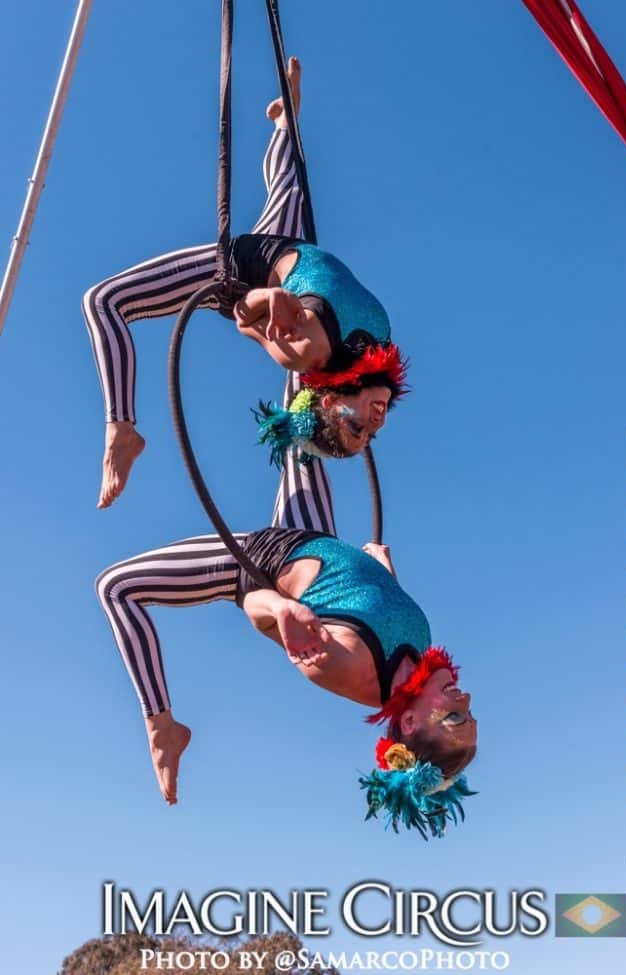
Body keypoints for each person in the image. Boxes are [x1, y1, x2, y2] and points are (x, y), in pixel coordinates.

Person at [83, 58, 407, 509]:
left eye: (358, 428)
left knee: (104, 300)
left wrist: (263, 296)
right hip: (290, 248)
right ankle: (284, 117)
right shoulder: (378, 346)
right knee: (289, 184)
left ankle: (121, 427)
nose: (374, 424)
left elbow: (243, 319)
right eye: (371, 434)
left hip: (242, 271)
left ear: (333, 404)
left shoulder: (306, 352)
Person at [96, 519, 477, 838]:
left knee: (114, 587)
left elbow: (254, 608)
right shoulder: (422, 656)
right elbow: (378, 604)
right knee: (301, 434)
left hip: (257, 558)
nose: (467, 700)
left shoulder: (343, 665)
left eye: (454, 717)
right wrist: (384, 573)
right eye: (471, 715)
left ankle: (161, 724)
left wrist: (278, 606)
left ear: (409, 723)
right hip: (312, 534)